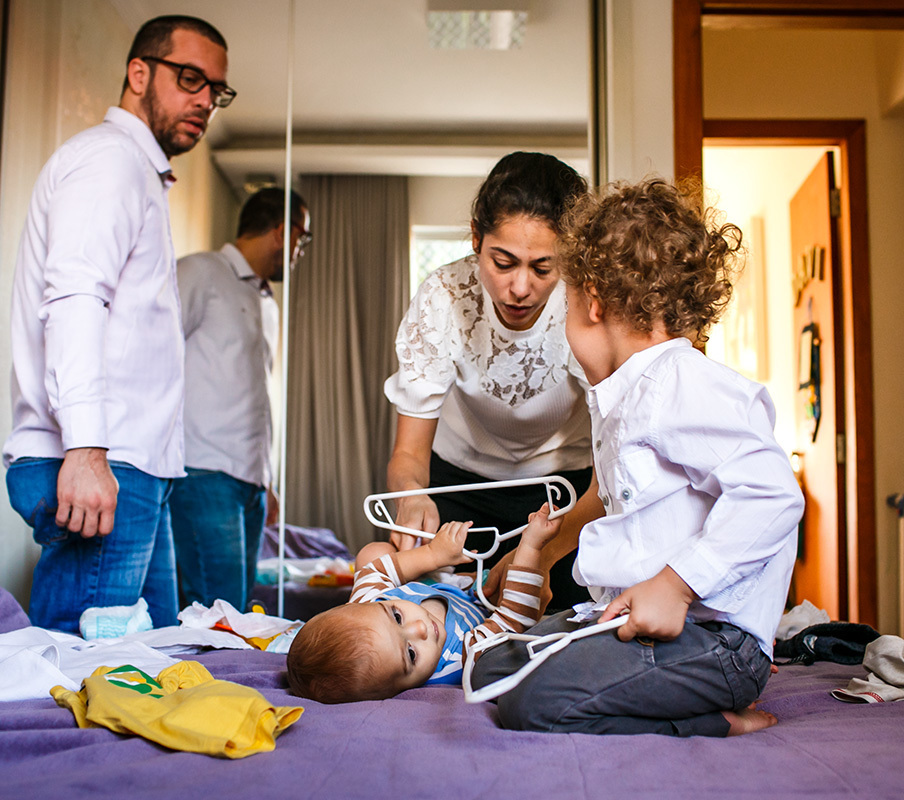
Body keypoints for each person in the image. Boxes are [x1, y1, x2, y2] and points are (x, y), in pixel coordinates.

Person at [472, 177, 805, 738]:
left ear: (594, 301)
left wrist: (676, 586)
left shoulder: (682, 386)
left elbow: (775, 495)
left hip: (713, 642)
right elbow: (616, 504)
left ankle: (716, 722)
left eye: (568, 308)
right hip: (638, 626)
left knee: (531, 705)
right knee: (494, 667)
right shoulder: (627, 396)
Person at [2, 15, 235, 633]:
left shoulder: (138, 171)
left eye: (216, 89)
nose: (205, 100)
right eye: (191, 79)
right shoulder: (110, 160)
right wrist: (84, 448)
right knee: (82, 677)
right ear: (139, 73)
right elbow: (76, 299)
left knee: (149, 668)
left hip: (132, 465)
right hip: (104, 460)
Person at [384, 151, 598, 612]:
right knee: (443, 626)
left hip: (565, 499)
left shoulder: (588, 300)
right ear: (477, 239)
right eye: (503, 262)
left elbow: (612, 473)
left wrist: (542, 556)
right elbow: (408, 455)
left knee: (564, 634)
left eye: (544, 268)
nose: (521, 287)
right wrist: (411, 498)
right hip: (459, 488)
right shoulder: (443, 296)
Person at [168, 188, 311, 612]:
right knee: (219, 610)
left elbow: (254, 396)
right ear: (282, 232)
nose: (299, 252)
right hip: (203, 470)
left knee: (238, 608)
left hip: (248, 480)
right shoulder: (201, 272)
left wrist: (267, 480)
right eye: (301, 240)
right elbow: (152, 357)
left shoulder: (265, 302)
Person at [285, 504, 560, 703]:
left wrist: (432, 554)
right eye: (411, 654)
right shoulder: (459, 659)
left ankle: (437, 574)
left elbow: (372, 570)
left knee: (372, 554)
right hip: (485, 601)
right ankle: (461, 579)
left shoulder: (369, 603)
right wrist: (531, 548)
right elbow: (512, 619)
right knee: (523, 608)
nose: (420, 628)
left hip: (439, 585)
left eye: (396, 617)